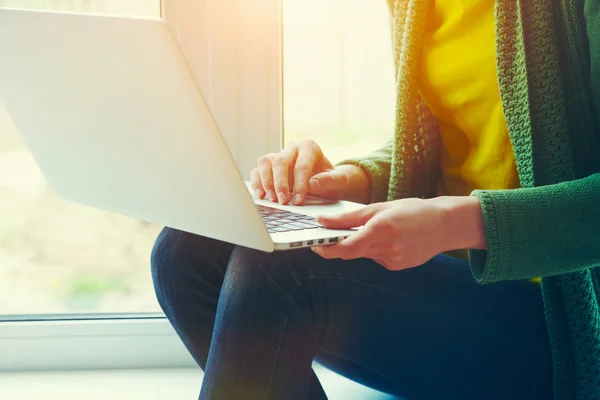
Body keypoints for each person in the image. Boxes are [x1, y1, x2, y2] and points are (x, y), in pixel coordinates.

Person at [151, 0, 600, 399]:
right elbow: (442, 139)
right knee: (187, 249)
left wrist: (460, 222)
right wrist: (345, 181)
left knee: (284, 267)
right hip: (458, 290)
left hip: (569, 324)